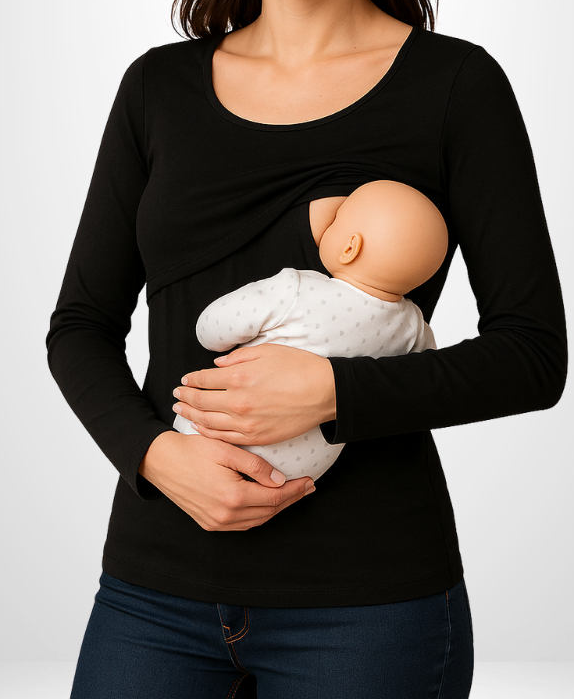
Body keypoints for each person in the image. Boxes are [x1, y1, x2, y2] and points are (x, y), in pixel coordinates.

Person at [46, 0, 566, 699]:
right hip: (156, 590)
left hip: (370, 605)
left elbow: (531, 355)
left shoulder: (456, 89)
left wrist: (331, 393)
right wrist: (157, 458)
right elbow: (81, 329)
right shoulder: (157, 91)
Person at [172, 179, 449, 481]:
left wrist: (210, 331)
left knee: (189, 430)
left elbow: (211, 330)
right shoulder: (413, 327)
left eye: (336, 220)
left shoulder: (298, 289)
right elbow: (422, 378)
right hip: (303, 470)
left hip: (224, 431)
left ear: (350, 248)